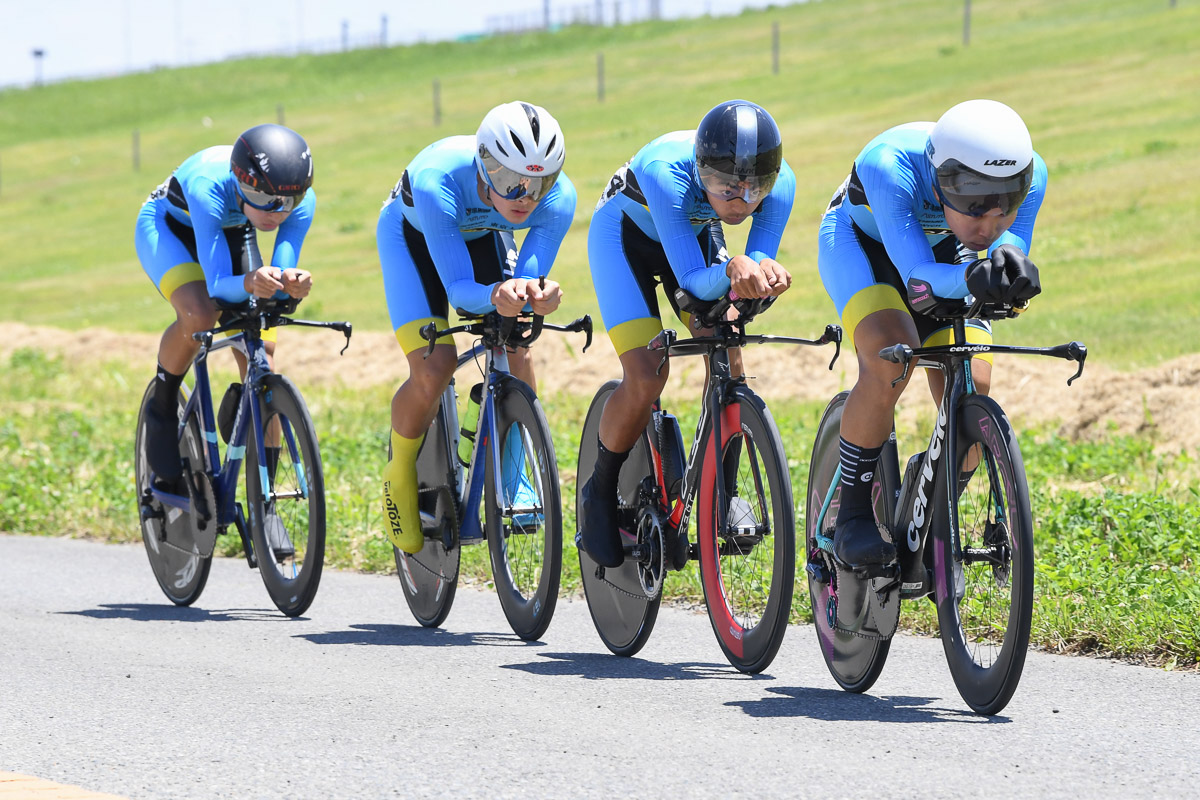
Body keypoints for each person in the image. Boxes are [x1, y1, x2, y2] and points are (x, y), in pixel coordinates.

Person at [817, 98, 1046, 570]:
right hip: (867, 248)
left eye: (1004, 207)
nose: (989, 225)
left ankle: (931, 506)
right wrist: (975, 276)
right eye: (975, 207)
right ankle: (854, 515)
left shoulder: (1033, 173)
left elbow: (1006, 247)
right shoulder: (890, 166)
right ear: (945, 183)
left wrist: (1008, 273)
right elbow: (919, 277)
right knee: (889, 360)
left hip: (947, 257)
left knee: (975, 382)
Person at [578, 99, 796, 567]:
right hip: (625, 239)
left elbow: (746, 276)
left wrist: (763, 273)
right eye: (722, 186)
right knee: (647, 373)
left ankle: (724, 496)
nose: (739, 200)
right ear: (700, 170)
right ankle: (599, 488)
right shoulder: (666, 172)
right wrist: (739, 266)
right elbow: (696, 279)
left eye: (753, 188)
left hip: (691, 233)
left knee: (728, 340)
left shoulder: (780, 187)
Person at [377, 100, 576, 553]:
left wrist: (535, 294)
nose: (525, 197)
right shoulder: (438, 181)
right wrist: (493, 295)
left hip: (482, 232)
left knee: (518, 342)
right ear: (484, 167)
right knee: (435, 365)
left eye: (538, 184)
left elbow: (527, 282)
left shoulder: (559, 198)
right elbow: (459, 288)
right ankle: (400, 469)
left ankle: (516, 471)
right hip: (414, 238)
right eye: (510, 181)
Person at [136, 123, 316, 486]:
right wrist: (250, 281)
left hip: (235, 227)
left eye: (286, 203)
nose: (277, 213)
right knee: (200, 313)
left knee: (264, 347)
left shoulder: (296, 200)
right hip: (172, 227)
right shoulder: (210, 187)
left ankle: (265, 504)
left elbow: (279, 279)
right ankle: (162, 405)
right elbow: (219, 287)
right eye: (265, 199)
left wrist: (292, 284)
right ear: (242, 183)